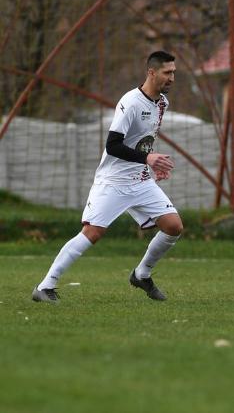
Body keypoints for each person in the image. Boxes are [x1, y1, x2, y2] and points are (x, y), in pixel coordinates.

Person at [32, 51, 183, 303]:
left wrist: (152, 162)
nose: (172, 78)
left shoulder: (162, 103)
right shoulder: (131, 102)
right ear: (151, 72)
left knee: (173, 226)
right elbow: (113, 145)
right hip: (113, 182)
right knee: (92, 233)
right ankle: (45, 287)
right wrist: (148, 158)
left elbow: (142, 142)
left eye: (174, 72)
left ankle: (141, 275)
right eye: (167, 73)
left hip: (141, 179)